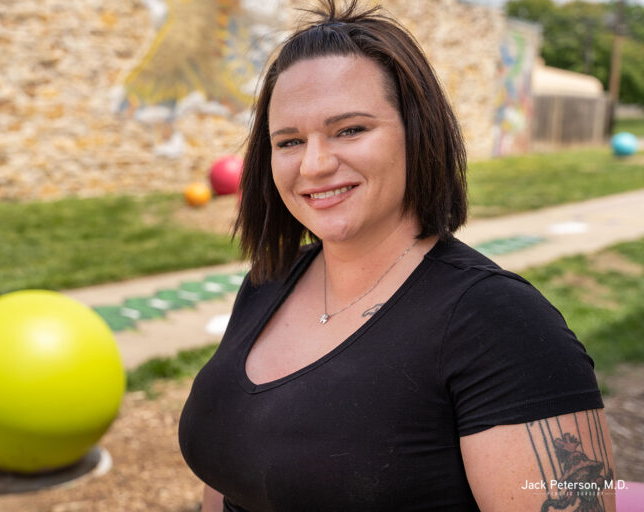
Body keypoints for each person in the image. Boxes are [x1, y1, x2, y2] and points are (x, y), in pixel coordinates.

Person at [178, 1, 616, 510]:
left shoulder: (502, 326)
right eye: (290, 140)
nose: (315, 164)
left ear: (417, 132)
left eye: (350, 130)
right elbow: (228, 479)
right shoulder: (267, 282)